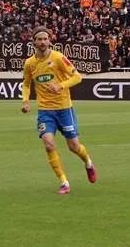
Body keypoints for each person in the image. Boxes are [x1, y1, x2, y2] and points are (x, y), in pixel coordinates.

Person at [21, 26, 96, 195]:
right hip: (45, 111)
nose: (42, 42)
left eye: (45, 39)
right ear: (34, 42)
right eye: (39, 39)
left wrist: (60, 86)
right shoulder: (30, 63)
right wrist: (25, 101)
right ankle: (64, 182)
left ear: (49, 41)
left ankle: (88, 163)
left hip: (64, 109)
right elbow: (26, 84)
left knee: (74, 147)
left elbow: (77, 77)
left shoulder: (58, 58)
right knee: (49, 145)